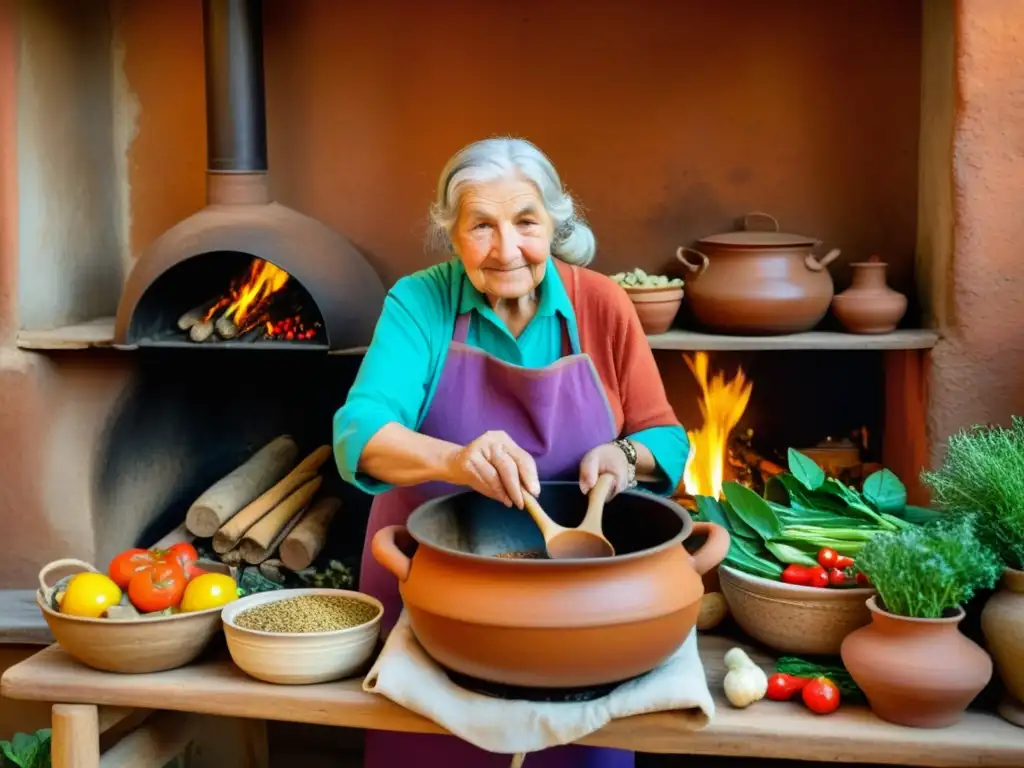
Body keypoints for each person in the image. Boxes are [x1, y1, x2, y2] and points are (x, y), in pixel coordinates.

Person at [333, 137, 689, 768]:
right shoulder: (420, 303)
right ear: (452, 232)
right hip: (440, 607)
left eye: (525, 223)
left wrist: (626, 458)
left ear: (555, 221)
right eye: (481, 226)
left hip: (584, 620)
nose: (505, 250)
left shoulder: (601, 304)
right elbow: (359, 432)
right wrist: (454, 460)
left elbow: (666, 434)